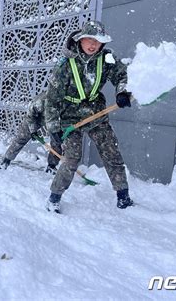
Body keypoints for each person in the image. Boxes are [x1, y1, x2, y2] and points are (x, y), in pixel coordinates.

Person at [44, 20, 134, 213]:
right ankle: (54, 198)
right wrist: (53, 128)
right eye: (89, 40)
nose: (93, 45)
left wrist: (123, 92)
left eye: (98, 41)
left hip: (95, 113)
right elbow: (51, 99)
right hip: (69, 116)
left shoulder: (107, 59)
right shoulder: (65, 65)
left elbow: (123, 75)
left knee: (111, 151)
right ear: (81, 40)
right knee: (71, 158)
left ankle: (123, 196)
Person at [0, 92, 63, 174]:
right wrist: (33, 131)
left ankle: (51, 166)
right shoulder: (41, 101)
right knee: (22, 137)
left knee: (57, 141)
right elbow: (30, 116)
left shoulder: (64, 104)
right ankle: (6, 160)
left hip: (52, 120)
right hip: (35, 117)